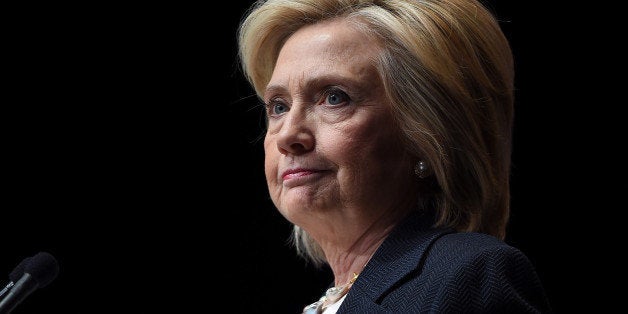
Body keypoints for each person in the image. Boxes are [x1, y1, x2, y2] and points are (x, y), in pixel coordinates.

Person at [237, 0, 552, 313]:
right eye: (279, 106)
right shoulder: (330, 302)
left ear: (427, 135)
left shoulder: (469, 276)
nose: (289, 136)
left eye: (334, 98)